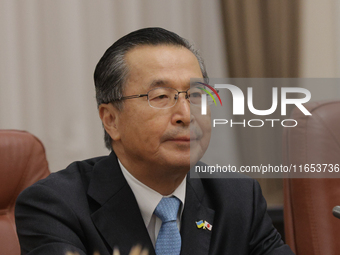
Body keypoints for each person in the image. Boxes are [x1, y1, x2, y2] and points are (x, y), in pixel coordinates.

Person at [15, 27, 294, 255]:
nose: (186, 115)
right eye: (160, 96)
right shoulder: (55, 206)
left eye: (196, 96)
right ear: (111, 119)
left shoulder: (238, 198)